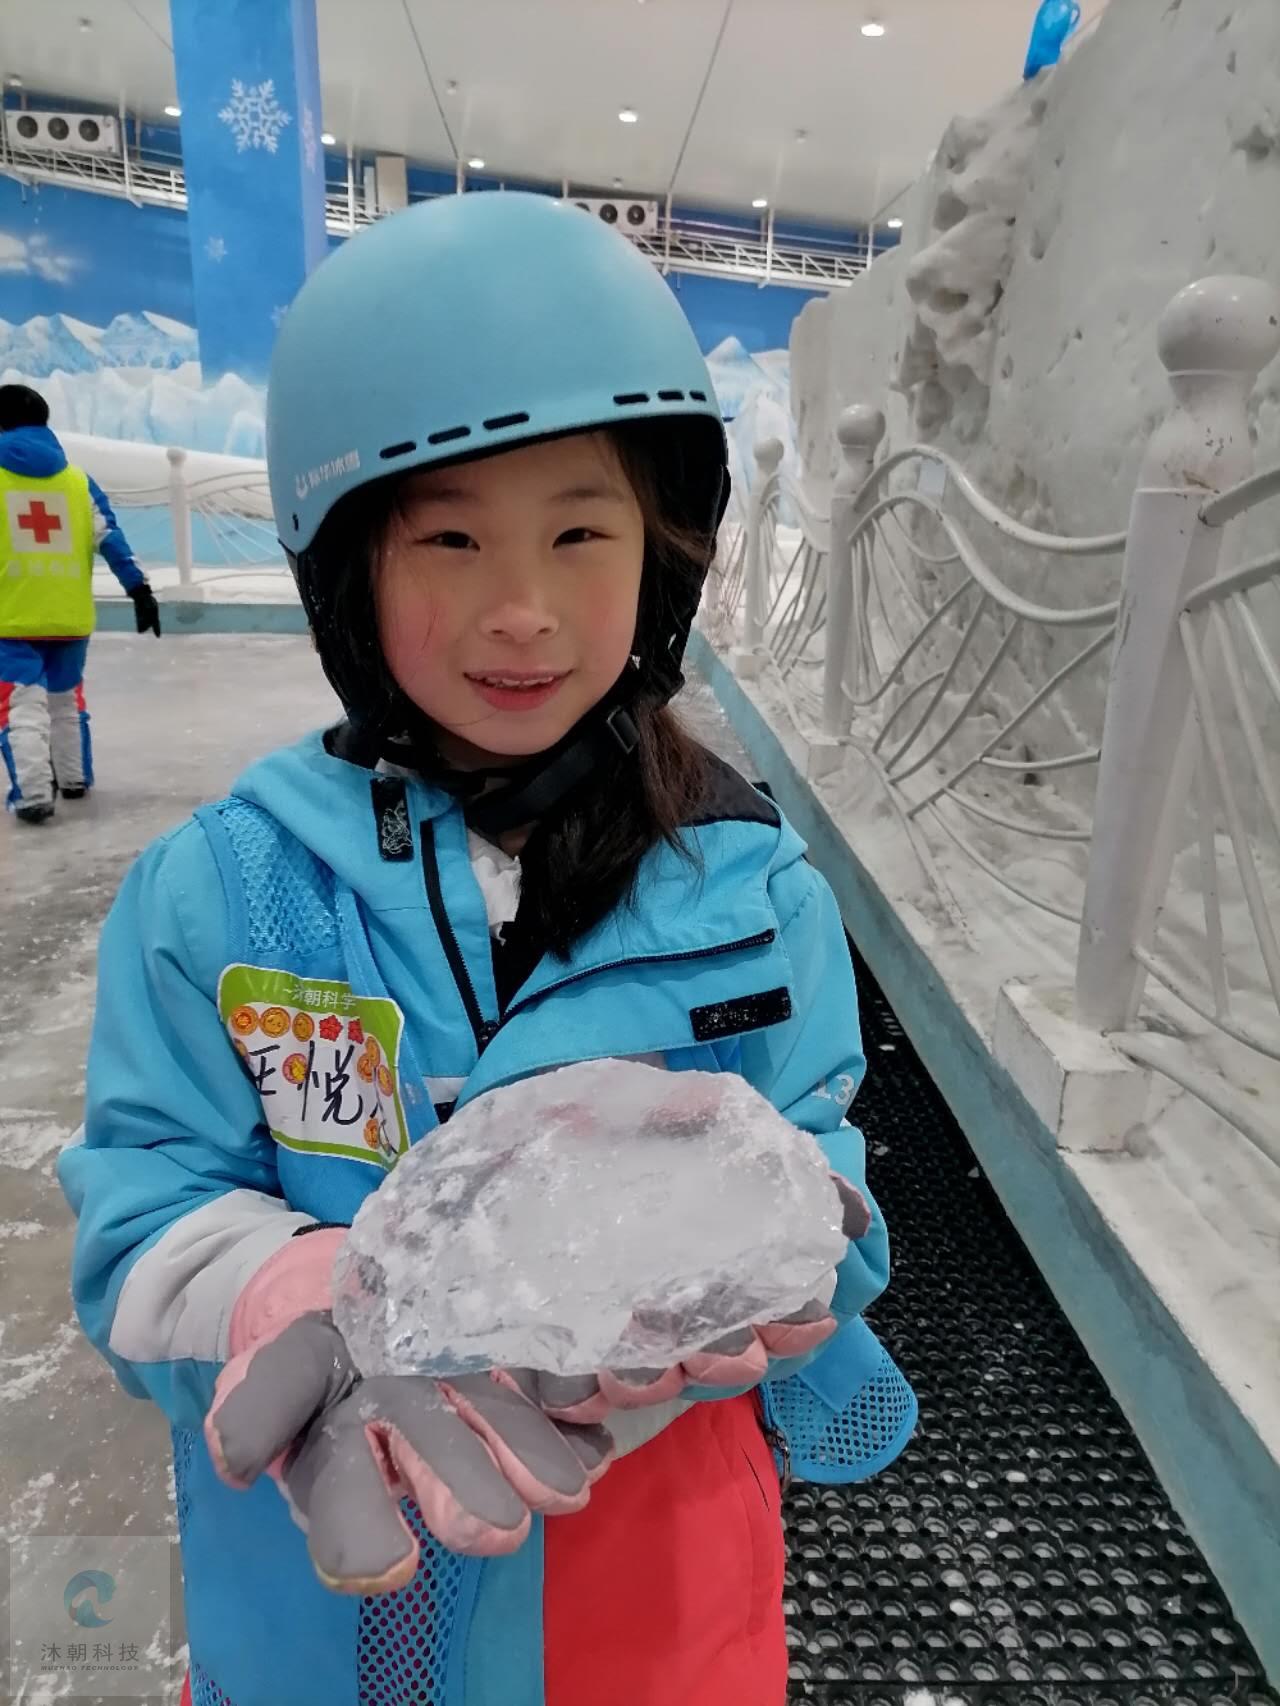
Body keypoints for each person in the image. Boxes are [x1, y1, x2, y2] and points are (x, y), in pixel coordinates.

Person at [58, 194, 915, 1706]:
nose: (520, 610)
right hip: (323, 1634)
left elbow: (825, 1184)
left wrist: (766, 1255)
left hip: (653, 1630)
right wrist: (279, 1291)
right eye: (449, 538)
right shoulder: (225, 897)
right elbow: (140, 1225)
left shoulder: (751, 894)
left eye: (580, 533)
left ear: (658, 557)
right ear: (347, 572)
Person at [0, 382, 161, 823]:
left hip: (10, 617)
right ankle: (73, 779)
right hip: (69, 616)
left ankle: (34, 794)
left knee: (21, 707)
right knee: (65, 701)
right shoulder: (76, 481)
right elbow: (110, 537)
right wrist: (140, 590)